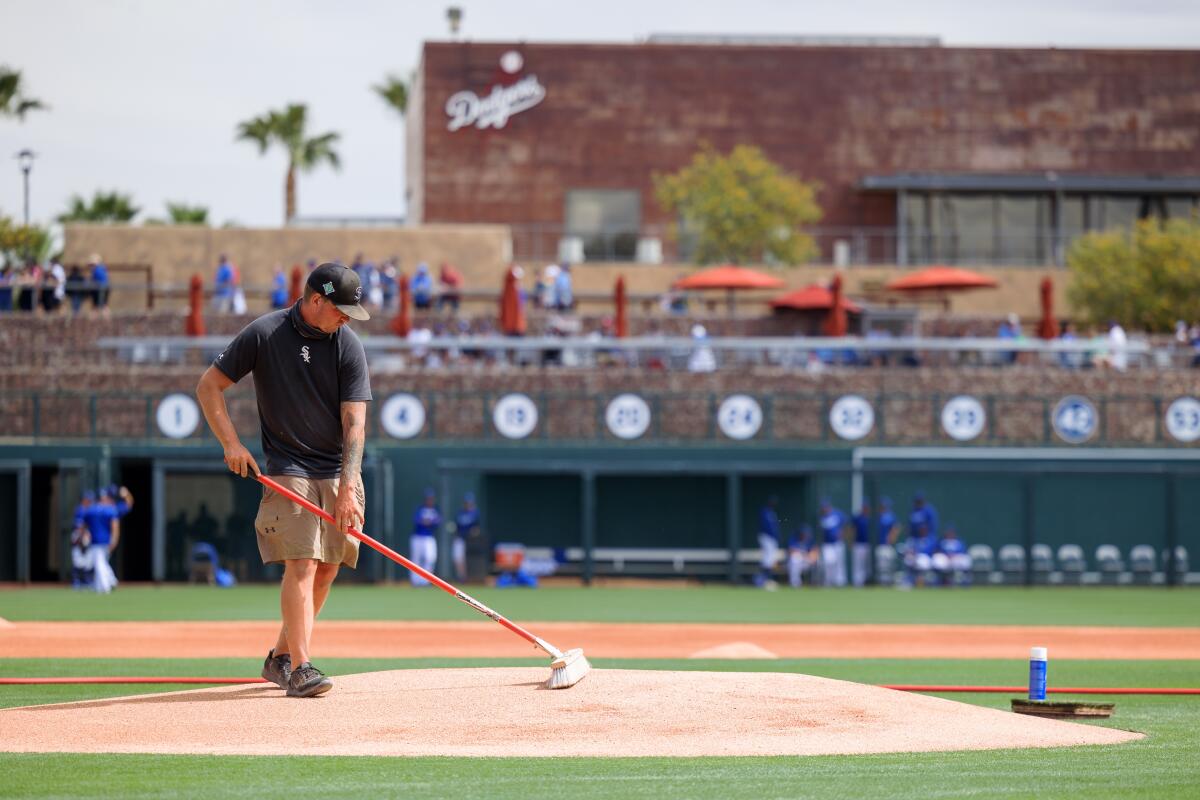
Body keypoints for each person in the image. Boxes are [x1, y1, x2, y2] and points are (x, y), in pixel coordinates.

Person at [195, 261, 371, 699]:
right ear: (316, 300)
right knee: (303, 563)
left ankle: (278, 658)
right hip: (287, 468)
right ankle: (301, 667)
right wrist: (231, 444)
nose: (347, 318)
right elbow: (209, 386)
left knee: (328, 568)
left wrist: (348, 487)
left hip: (337, 470)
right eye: (342, 309)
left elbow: (356, 424)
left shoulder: (348, 345)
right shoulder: (264, 333)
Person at [78, 485, 133, 593]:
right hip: (105, 541)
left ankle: (105, 586)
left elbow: (82, 525)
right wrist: (126, 494)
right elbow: (128, 505)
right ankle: (110, 582)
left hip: (97, 541)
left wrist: (83, 535)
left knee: (100, 563)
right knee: (101, 562)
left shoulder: (91, 509)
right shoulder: (111, 509)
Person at [410, 488, 441, 586]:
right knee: (416, 559)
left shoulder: (435, 509)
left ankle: (425, 581)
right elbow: (417, 520)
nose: (430, 500)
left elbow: (438, 521)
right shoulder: (420, 508)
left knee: (430, 558)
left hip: (429, 537)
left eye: (431, 498)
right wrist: (427, 521)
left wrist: (427, 521)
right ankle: (415, 581)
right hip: (417, 537)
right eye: (428, 498)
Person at [817, 497, 849, 587]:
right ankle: (828, 581)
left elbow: (846, 525)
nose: (824, 509)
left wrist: (843, 534)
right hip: (827, 544)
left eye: (825, 507)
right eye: (823, 507)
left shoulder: (838, 514)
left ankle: (840, 582)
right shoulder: (821, 517)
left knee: (839, 563)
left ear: (829, 506)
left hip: (838, 542)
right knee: (828, 562)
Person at [453, 492, 481, 581]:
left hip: (471, 540)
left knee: (468, 560)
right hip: (461, 538)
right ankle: (462, 577)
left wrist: (474, 532)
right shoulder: (460, 512)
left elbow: (477, 528)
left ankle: (470, 577)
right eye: (466, 502)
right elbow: (456, 526)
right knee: (458, 558)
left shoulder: (475, 513)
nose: (468, 504)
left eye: (469, 502)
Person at [755, 496, 781, 588]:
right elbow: (766, 526)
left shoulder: (772, 513)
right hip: (766, 537)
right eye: (772, 502)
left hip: (772, 539)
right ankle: (765, 580)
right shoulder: (764, 511)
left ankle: (765, 580)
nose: (773, 503)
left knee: (770, 559)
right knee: (768, 559)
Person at [851, 501, 873, 588]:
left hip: (870, 544)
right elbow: (851, 529)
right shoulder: (857, 518)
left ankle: (868, 582)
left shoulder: (872, 517)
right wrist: (851, 541)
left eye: (867, 507)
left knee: (868, 565)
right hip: (859, 544)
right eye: (864, 507)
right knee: (858, 565)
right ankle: (858, 583)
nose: (865, 509)